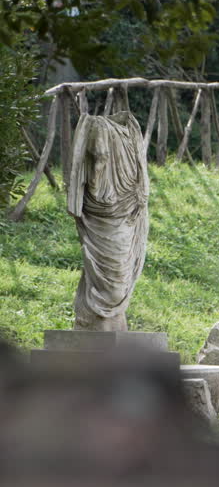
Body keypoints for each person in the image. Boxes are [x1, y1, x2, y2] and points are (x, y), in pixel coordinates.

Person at [67, 109, 150, 331]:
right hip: (102, 213)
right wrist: (95, 184)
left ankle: (108, 322)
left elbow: (102, 156)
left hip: (125, 211)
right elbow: (99, 155)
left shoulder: (126, 132)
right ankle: (98, 322)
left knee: (118, 276)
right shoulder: (100, 128)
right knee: (108, 277)